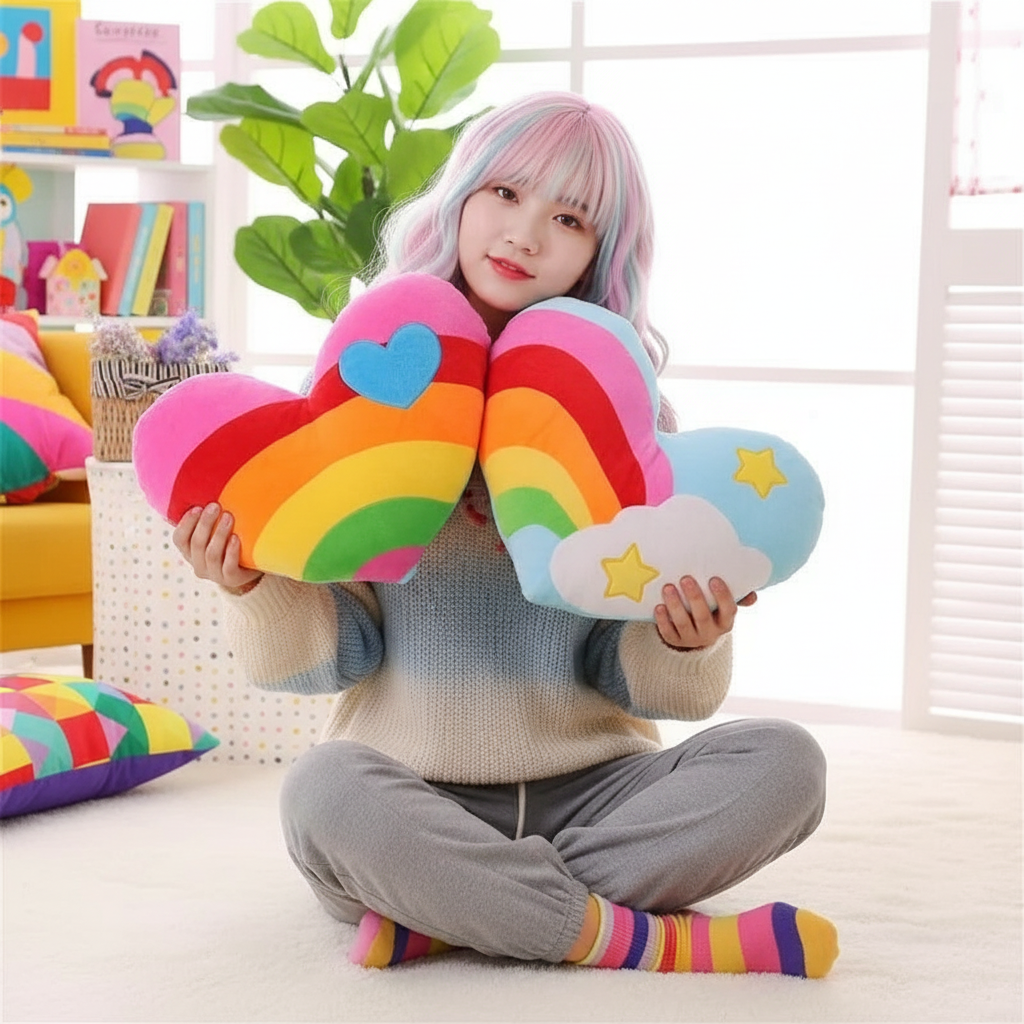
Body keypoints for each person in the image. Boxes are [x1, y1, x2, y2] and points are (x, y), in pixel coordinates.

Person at [172, 92, 839, 977]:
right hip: (407, 793)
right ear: (458, 200)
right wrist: (252, 585)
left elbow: (637, 684)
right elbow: (335, 659)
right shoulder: (370, 398)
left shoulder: (621, 411)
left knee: (787, 764)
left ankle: (459, 912)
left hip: (600, 793)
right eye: (505, 193)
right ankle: (635, 937)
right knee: (321, 790)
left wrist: (687, 638)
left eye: (569, 217)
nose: (525, 234)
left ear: (602, 253)